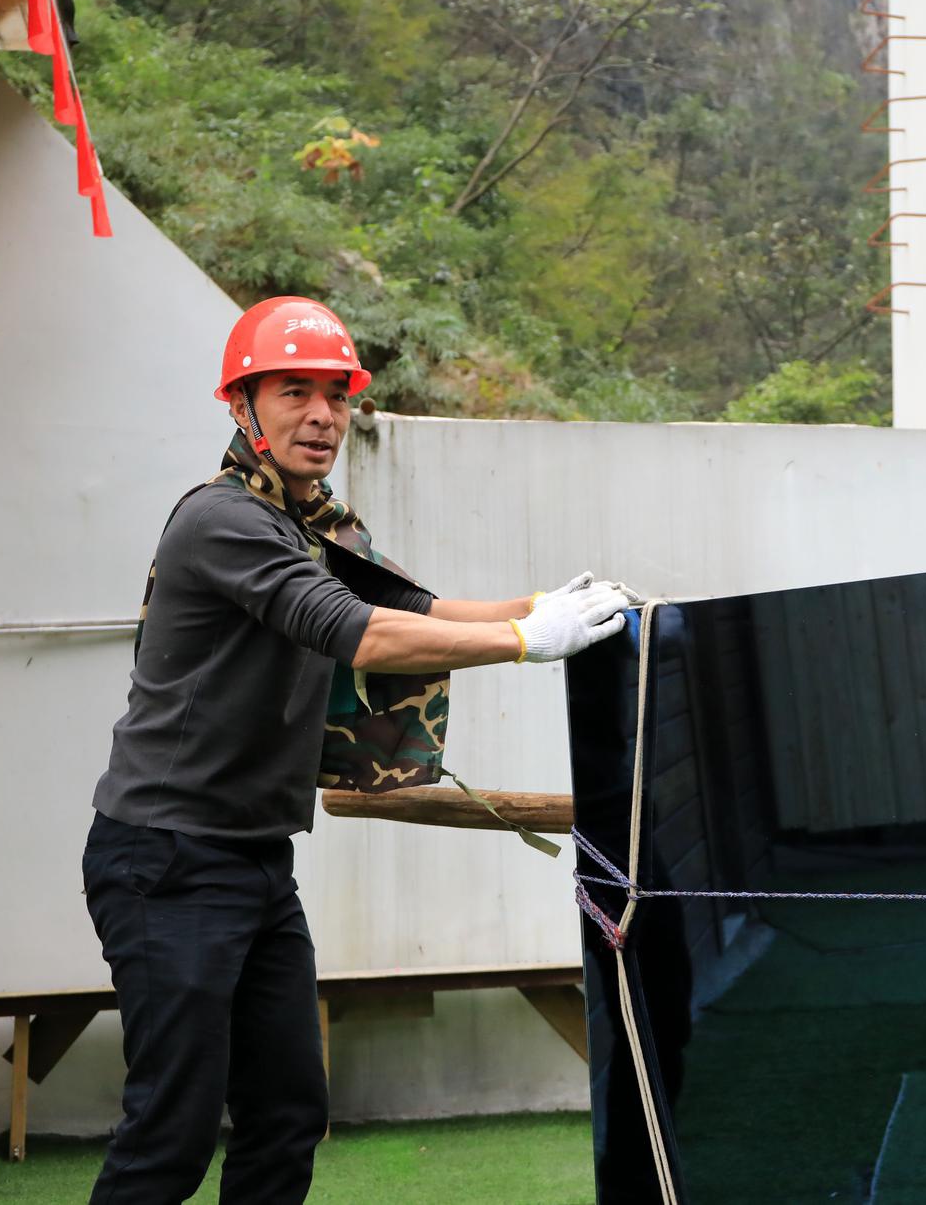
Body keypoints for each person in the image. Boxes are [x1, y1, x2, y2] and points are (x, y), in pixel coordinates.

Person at [83, 296, 634, 1202]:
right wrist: (529, 643)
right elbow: (360, 633)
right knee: (171, 1133)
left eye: (335, 395)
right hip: (165, 858)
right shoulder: (223, 521)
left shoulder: (312, 526)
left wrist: (541, 607)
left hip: (256, 860)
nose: (321, 415)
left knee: (288, 1114)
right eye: (294, 391)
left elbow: (416, 610)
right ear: (241, 406)